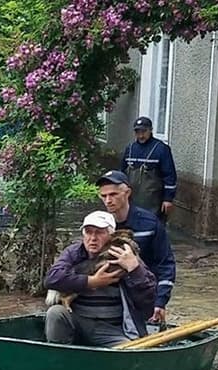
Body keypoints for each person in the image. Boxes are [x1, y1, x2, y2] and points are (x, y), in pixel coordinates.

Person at [43, 211, 157, 347]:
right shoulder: (74, 252)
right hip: (79, 320)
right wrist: (92, 282)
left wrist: (134, 268)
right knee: (55, 313)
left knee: (129, 351)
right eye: (88, 232)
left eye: (99, 232)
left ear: (111, 236)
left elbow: (148, 302)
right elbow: (51, 279)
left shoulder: (125, 255)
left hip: (112, 329)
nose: (93, 238)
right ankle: (58, 356)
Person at [95, 169, 177, 325]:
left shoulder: (150, 223)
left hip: (142, 291)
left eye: (113, 195)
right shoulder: (99, 225)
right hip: (108, 293)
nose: (108, 201)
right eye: (103, 196)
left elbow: (165, 264)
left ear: (127, 193)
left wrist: (160, 301)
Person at [120, 116, 177, 221]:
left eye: (144, 131)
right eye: (137, 132)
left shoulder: (161, 149)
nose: (141, 135)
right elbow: (121, 173)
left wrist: (168, 199)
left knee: (154, 228)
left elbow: (169, 175)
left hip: (154, 203)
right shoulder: (130, 148)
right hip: (131, 201)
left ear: (150, 130)